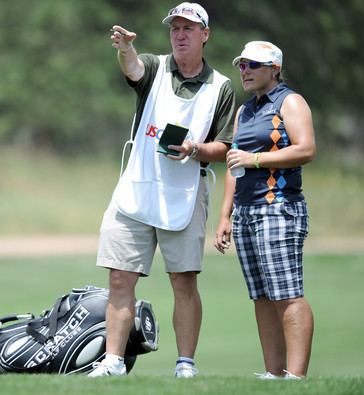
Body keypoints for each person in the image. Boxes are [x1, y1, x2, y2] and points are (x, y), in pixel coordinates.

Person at [89, 3, 235, 378]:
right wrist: (125, 49)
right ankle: (114, 361)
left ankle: (185, 363)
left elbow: (224, 146)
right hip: (137, 191)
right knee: (120, 277)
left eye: (189, 28)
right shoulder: (154, 66)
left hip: (184, 194)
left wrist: (195, 149)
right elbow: (134, 69)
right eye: (175, 28)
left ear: (206, 34)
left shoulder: (221, 87)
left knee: (183, 281)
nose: (180, 34)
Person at [214, 41, 316, 379]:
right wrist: (225, 216)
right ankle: (274, 374)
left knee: (287, 295)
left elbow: (306, 149)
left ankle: (296, 377)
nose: (244, 71)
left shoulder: (290, 101)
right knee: (261, 296)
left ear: (274, 68)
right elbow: (233, 164)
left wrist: (256, 158)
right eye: (242, 65)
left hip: (279, 208)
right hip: (245, 211)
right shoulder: (246, 110)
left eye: (252, 65)